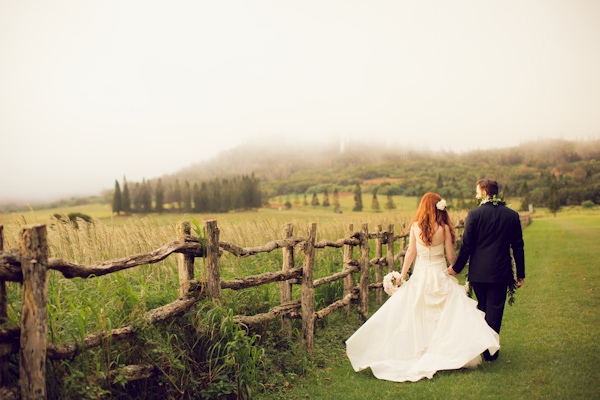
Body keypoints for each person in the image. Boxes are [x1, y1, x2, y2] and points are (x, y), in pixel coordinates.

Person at [346, 193, 500, 382]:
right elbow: (451, 254)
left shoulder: (415, 227)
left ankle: (421, 349)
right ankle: (445, 350)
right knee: (444, 313)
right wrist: (455, 269)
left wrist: (402, 274)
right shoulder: (444, 228)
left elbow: (411, 252)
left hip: (421, 275)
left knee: (418, 312)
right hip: (439, 274)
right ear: (438, 207)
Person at [448, 179, 525, 361]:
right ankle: (491, 351)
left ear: (484, 192)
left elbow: (466, 246)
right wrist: (520, 274)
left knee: (482, 308)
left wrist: (457, 268)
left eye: (477, 191)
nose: (475, 194)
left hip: (479, 272)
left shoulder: (474, 214)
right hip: (501, 271)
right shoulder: (512, 215)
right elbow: (518, 247)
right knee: (495, 310)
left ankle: (485, 348)